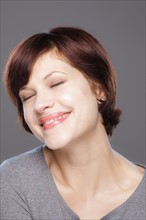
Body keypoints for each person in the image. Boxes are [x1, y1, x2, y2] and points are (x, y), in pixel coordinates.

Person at [0, 27, 145, 220]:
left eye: (56, 83)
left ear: (99, 89)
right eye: (28, 96)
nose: (40, 104)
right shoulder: (14, 181)